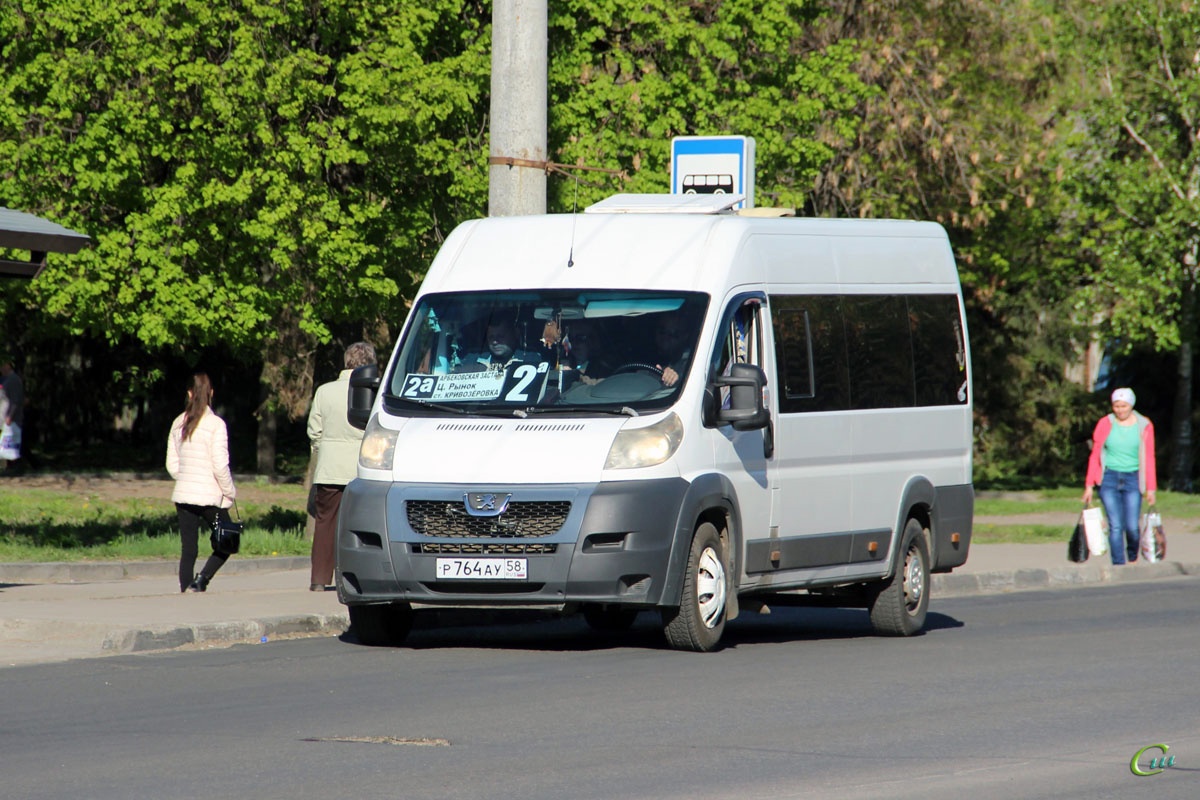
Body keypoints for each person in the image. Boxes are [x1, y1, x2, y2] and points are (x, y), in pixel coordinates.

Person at [307, 341, 377, 591]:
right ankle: (352, 578)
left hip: (329, 468)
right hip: (360, 469)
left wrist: (323, 451)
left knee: (325, 523)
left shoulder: (324, 391)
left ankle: (318, 579)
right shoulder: (374, 392)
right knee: (360, 525)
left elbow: (314, 431)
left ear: (346, 362)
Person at [166, 373, 238, 592]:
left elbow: (172, 463)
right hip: (210, 497)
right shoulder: (216, 424)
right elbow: (220, 466)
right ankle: (203, 579)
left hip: (184, 495)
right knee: (228, 542)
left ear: (189, 393)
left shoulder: (179, 422)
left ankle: (186, 588)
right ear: (212, 393)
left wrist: (187, 478)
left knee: (189, 548)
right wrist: (229, 491)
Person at [1082, 387, 1157, 565]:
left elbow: (1149, 457)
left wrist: (1151, 488)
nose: (1120, 410)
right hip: (1109, 478)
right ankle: (1118, 565)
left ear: (1131, 405)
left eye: (1123, 406)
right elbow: (1095, 454)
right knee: (1115, 526)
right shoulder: (1105, 423)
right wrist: (1089, 485)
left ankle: (1132, 557)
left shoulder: (1144, 425)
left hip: (1133, 479)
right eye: (1116, 406)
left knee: (1131, 526)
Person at [457, 317, 539, 373]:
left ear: (515, 334)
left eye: (501, 336)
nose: (495, 342)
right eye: (491, 337)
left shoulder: (531, 360)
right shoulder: (472, 361)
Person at [654, 315, 692, 387]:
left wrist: (673, 378)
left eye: (674, 334)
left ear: (684, 337)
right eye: (662, 331)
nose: (666, 337)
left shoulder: (692, 362)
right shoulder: (642, 354)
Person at [0, 358, 25, 472]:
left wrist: (10, 416)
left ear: (9, 366)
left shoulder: (13, 380)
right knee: (7, 444)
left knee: (12, 443)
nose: (1, 368)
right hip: (4, 417)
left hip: (12, 418)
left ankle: (16, 468)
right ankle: (10, 467)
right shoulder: (5, 380)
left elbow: (15, 400)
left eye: (3, 365)